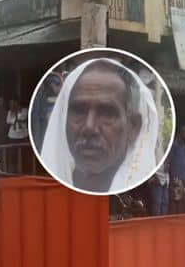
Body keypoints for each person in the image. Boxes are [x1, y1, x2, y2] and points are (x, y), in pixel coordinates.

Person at [39, 58, 158, 193]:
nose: (89, 128)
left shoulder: (141, 194)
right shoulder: (44, 192)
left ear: (133, 127)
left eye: (107, 113)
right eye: (79, 111)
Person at [170, 125, 185, 214]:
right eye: (184, 131)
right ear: (179, 132)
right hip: (176, 176)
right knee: (176, 199)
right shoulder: (174, 144)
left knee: (183, 199)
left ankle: (182, 219)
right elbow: (169, 159)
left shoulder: (184, 145)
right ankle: (175, 220)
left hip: (183, 176)